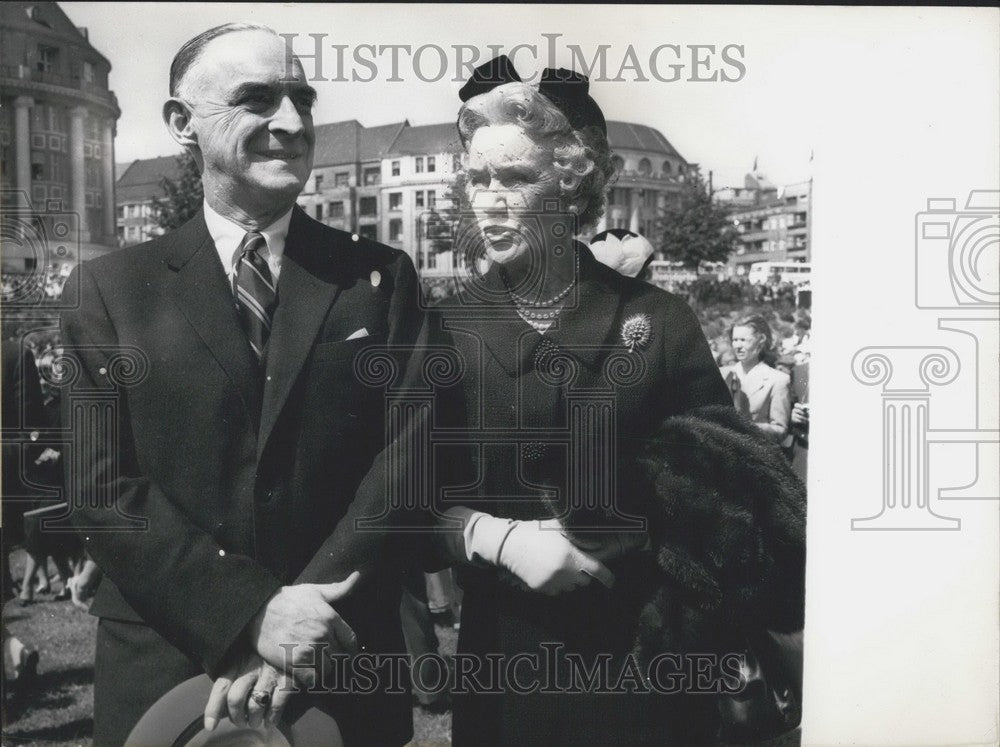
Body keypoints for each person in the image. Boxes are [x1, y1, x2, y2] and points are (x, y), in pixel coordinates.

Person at [414, 56, 805, 745]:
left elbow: (738, 501)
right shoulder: (445, 328)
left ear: (570, 187)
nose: (491, 200)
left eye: (516, 177)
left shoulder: (660, 320)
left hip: (644, 664)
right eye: (478, 178)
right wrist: (493, 538)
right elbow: (402, 499)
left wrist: (641, 520)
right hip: (505, 669)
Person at [59, 23, 421, 746]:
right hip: (167, 661)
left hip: (339, 652)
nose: (291, 122)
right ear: (181, 124)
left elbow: (408, 459)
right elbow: (104, 488)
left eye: (301, 98)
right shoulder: (110, 289)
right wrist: (250, 615)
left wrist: (300, 618)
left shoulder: (378, 280)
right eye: (257, 99)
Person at [721, 314, 792, 444]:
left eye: (743, 340)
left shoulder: (778, 380)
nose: (737, 346)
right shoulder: (723, 374)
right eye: (735, 340)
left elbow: (780, 430)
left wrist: (747, 426)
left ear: (761, 340)